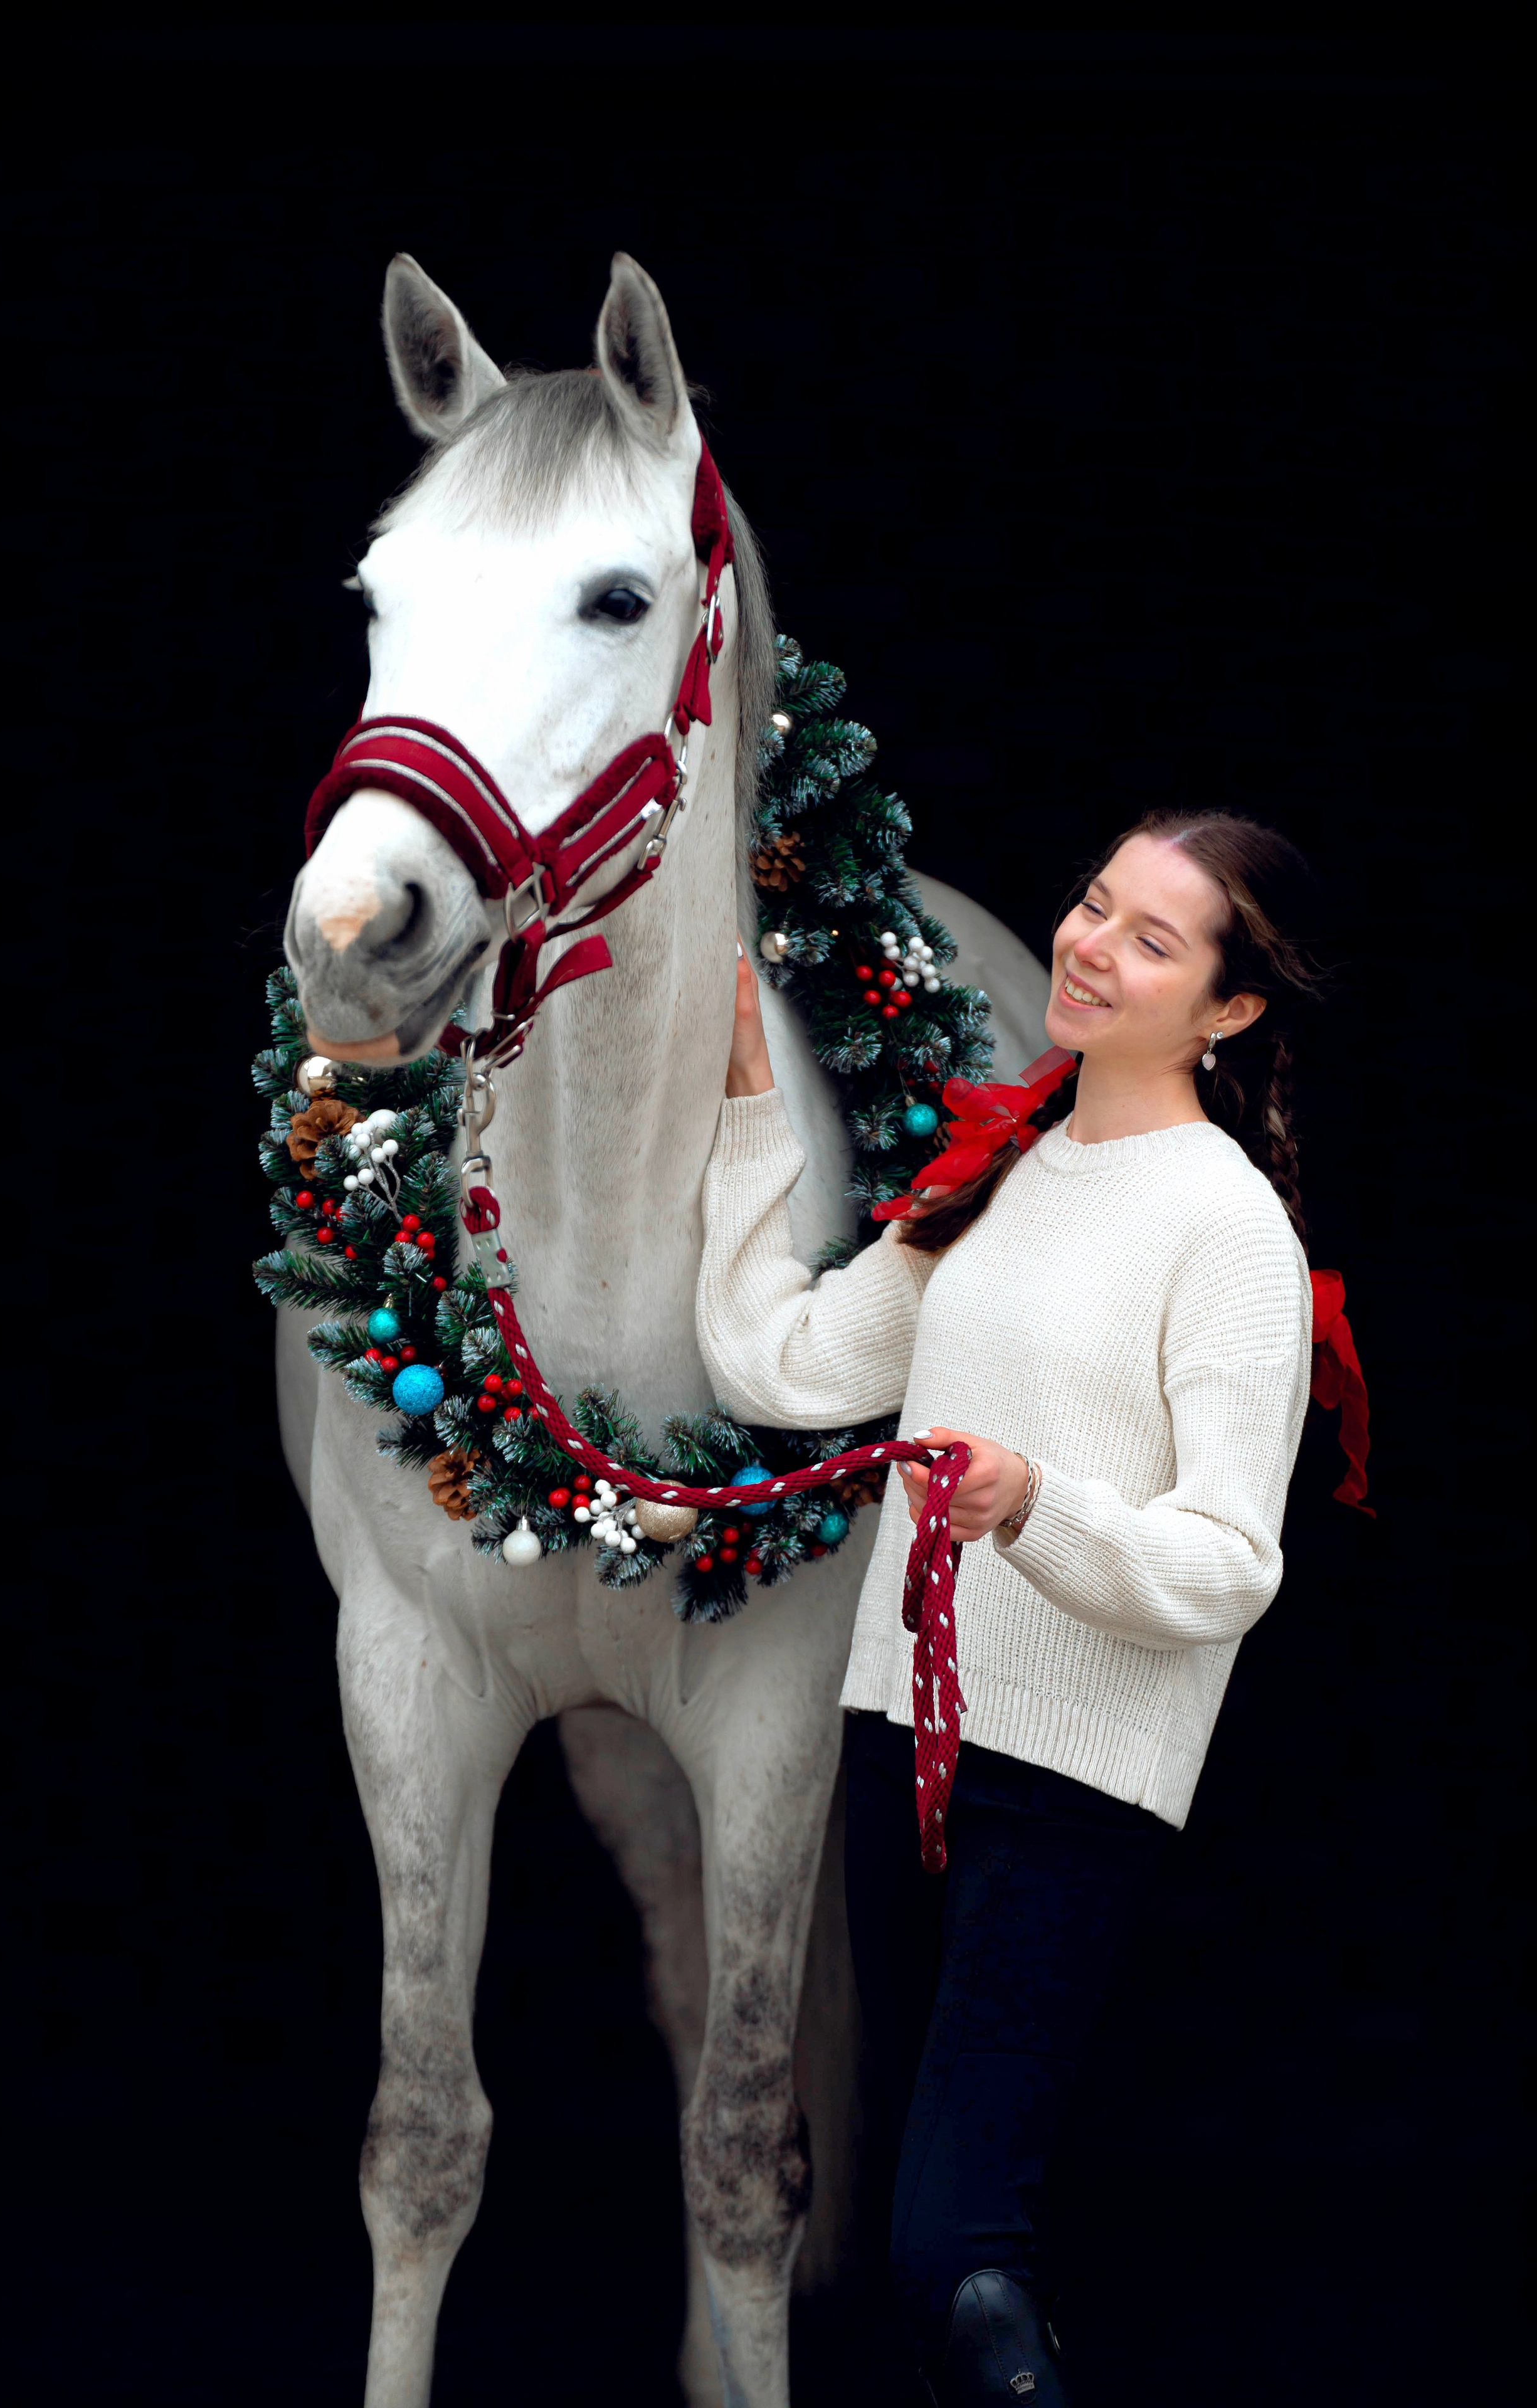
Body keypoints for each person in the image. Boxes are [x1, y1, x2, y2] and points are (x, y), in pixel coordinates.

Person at [695, 810, 1325, 2404]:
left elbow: (1231, 1564)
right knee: (914, 2248)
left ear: (1229, 1010)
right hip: (900, 1741)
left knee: (953, 2253)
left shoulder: (1226, 1225)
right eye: (1094, 905)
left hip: (1072, 1784)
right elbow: (784, 1371)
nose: (1089, 946)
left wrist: (1036, 1503)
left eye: (1151, 940)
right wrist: (754, 1127)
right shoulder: (997, 1168)